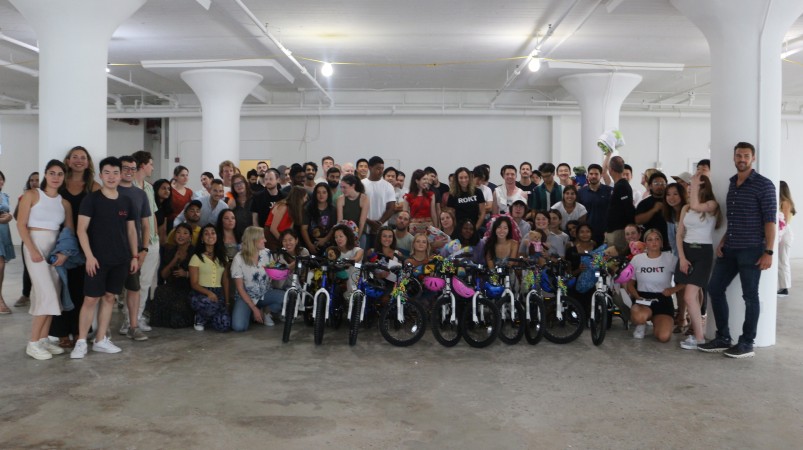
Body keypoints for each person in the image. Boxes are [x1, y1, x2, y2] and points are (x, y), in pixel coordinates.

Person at [699, 142, 777, 358]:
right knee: (714, 288)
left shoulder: (764, 185)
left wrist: (768, 252)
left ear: (753, 158)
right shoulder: (733, 183)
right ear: (734, 158)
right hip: (731, 248)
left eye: (746, 155)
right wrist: (724, 239)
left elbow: (769, 222)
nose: (741, 159)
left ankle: (747, 342)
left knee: (750, 296)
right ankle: (723, 338)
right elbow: (735, 218)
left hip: (752, 250)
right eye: (738, 155)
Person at [70, 157, 139, 359]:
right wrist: (89, 257)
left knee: (110, 298)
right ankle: (81, 341)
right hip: (97, 260)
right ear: (100, 175)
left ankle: (101, 339)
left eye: (115, 173)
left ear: (121, 175)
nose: (111, 177)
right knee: (91, 299)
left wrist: (134, 256)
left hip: (121, 259)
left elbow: (132, 231)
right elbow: (81, 230)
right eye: (107, 173)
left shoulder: (127, 201)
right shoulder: (91, 199)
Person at [16, 160, 74, 359]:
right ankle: (32, 343)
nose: (56, 177)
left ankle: (42, 340)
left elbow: (68, 233)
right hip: (35, 246)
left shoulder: (64, 203)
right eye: (52, 173)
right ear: (45, 175)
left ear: (64, 177)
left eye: (60, 174)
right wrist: (32, 250)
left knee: (53, 295)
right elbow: (21, 225)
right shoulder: (32, 195)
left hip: (54, 251)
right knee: (47, 294)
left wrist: (64, 254)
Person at [48, 146, 99, 347]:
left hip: (85, 243)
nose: (79, 161)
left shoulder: (93, 187)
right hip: (59, 243)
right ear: (68, 161)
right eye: (75, 157)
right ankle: (61, 333)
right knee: (60, 287)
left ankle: (80, 332)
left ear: (88, 162)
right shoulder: (59, 184)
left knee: (80, 288)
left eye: (83, 157)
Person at [675, 174, 721, 350]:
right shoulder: (686, 208)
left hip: (703, 252)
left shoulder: (712, 205)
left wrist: (694, 185)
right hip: (687, 250)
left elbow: (696, 205)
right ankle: (698, 335)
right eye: (688, 189)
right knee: (688, 295)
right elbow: (679, 234)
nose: (689, 191)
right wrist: (682, 257)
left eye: (692, 189)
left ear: (703, 188)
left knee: (689, 295)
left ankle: (699, 337)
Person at [116, 156, 154, 341]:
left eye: (132, 168)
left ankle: (133, 325)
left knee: (134, 288)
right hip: (110, 249)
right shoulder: (109, 191)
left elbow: (145, 225)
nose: (129, 172)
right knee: (107, 294)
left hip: (133, 250)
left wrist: (144, 249)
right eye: (125, 168)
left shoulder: (140, 194)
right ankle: (100, 331)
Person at [626, 229, 682, 342]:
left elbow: (686, 280)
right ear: (645, 243)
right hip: (643, 299)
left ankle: (657, 323)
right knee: (639, 316)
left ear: (661, 242)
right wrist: (637, 297)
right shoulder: (637, 259)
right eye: (650, 239)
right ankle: (642, 324)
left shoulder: (670, 258)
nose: (654, 242)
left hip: (663, 299)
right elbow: (630, 284)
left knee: (664, 337)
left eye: (657, 239)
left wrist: (673, 289)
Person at [231, 226, 286, 331]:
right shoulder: (238, 258)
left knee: (287, 297)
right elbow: (240, 288)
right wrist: (254, 308)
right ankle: (253, 312)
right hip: (246, 297)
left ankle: (266, 311)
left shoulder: (267, 253)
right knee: (239, 327)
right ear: (253, 240)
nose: (265, 240)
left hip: (264, 294)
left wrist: (283, 269)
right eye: (262, 238)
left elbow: (273, 274)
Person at [148, 223, 195, 328]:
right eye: (178, 232)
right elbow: (164, 275)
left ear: (190, 237)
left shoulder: (194, 252)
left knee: (178, 306)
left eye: (185, 233)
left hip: (189, 287)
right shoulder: (170, 251)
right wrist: (174, 260)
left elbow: (201, 275)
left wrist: (186, 274)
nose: (181, 235)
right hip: (172, 285)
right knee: (160, 291)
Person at [189, 224, 231, 332]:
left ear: (217, 237)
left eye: (213, 233)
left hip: (218, 293)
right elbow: (194, 283)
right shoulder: (196, 257)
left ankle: (210, 317)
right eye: (206, 233)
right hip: (200, 293)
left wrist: (227, 301)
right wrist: (208, 293)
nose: (210, 236)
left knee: (224, 325)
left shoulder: (223, 257)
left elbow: (225, 280)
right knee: (209, 304)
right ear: (202, 238)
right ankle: (200, 318)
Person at [13, 171, 39, 308]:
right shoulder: (24, 197)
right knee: (27, 267)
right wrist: (21, 201)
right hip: (27, 236)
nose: (34, 183)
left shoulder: (49, 197)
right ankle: (25, 294)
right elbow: (17, 217)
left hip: (45, 237)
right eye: (32, 180)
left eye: (37, 180)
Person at [362, 156, 397, 249]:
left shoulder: (388, 186)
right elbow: (358, 207)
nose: (381, 171)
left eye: (382, 169)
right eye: (378, 168)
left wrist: (379, 223)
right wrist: (370, 222)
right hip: (364, 228)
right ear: (370, 167)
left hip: (381, 231)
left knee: (379, 257)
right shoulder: (361, 184)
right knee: (364, 257)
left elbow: (391, 208)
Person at [604, 156, 635, 256]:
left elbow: (628, 209)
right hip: (614, 230)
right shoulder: (618, 185)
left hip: (619, 231)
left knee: (616, 261)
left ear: (610, 170)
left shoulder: (622, 186)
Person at [577, 164, 612, 246]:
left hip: (605, 233)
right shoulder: (581, 192)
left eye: (596, 174)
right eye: (591, 174)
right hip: (587, 234)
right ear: (587, 176)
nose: (593, 176)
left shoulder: (609, 191)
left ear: (601, 176)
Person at [635, 172, 671, 251]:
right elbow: (638, 220)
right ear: (650, 186)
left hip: (669, 241)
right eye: (656, 183)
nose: (660, 186)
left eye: (662, 183)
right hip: (650, 241)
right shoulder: (644, 203)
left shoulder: (671, 200)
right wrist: (654, 210)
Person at [266, 186, 307, 251]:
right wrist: (284, 242)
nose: (305, 200)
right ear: (299, 198)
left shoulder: (294, 209)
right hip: (272, 237)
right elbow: (273, 229)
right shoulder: (283, 206)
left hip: (283, 236)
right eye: (304, 197)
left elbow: (290, 230)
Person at [446, 167, 486, 231]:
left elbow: (482, 213)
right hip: (460, 229)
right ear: (457, 179)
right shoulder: (453, 194)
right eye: (461, 178)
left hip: (475, 228)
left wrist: (475, 229)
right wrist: (458, 229)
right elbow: (451, 215)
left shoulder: (478, 192)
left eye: (466, 177)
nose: (464, 180)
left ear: (469, 178)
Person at [302, 182, 336, 254]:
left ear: (328, 194)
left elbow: (334, 227)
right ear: (315, 194)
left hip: (328, 244)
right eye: (318, 192)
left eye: (324, 192)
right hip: (310, 243)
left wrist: (325, 239)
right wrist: (310, 245)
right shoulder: (308, 208)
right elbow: (303, 229)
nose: (321, 195)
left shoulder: (333, 209)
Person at [403, 169, 439, 235]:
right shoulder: (408, 197)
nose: (426, 181)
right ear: (417, 181)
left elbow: (433, 213)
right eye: (424, 179)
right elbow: (405, 216)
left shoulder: (430, 195)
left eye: (426, 179)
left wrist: (436, 228)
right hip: (414, 229)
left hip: (428, 228)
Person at [336, 174, 369, 243]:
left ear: (353, 186)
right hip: (344, 234)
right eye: (341, 187)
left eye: (344, 187)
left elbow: (362, 222)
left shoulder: (364, 198)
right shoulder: (340, 199)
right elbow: (340, 221)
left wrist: (357, 239)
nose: (342, 190)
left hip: (360, 233)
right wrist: (342, 237)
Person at [0, 170, 15, 314]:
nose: (0, 182)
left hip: (3, 234)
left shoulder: (4, 196)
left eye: (1, 179)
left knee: (2, 266)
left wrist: (9, 217)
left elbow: (8, 214)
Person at [777, 180, 796, 297]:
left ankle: (784, 288)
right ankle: (782, 287)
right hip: (783, 232)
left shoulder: (785, 202)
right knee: (781, 260)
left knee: (783, 261)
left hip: (784, 233)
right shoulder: (783, 202)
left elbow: (785, 221)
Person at [227, 173, 253, 239]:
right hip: (237, 239)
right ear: (233, 187)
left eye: (241, 182)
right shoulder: (230, 201)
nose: (239, 186)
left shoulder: (254, 198)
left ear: (245, 183)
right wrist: (229, 208)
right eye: (235, 184)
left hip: (253, 237)